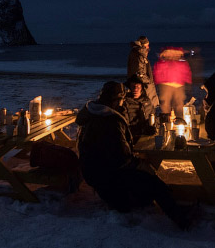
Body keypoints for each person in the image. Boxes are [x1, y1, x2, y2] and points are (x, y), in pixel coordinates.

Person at [75, 81, 194, 229]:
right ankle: (181, 219)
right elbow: (121, 157)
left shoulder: (90, 115)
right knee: (153, 181)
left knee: (147, 181)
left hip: (94, 176)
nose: (123, 102)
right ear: (116, 100)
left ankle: (164, 204)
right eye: (122, 99)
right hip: (108, 179)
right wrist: (140, 164)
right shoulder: (110, 121)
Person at [153, 47, 192, 123]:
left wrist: (188, 83)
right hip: (165, 85)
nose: (173, 56)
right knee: (165, 105)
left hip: (179, 85)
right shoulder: (161, 63)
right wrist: (157, 82)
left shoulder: (182, 63)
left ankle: (179, 121)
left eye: (175, 54)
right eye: (171, 54)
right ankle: (166, 122)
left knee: (179, 105)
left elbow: (187, 73)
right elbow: (157, 73)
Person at [127, 36, 158, 108]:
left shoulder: (138, 53)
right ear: (143, 45)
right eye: (147, 45)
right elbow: (139, 72)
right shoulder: (139, 55)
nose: (148, 47)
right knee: (148, 105)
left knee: (147, 105)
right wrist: (148, 81)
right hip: (143, 86)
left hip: (141, 84)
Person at [123, 75, 156, 142]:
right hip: (133, 137)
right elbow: (125, 125)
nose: (135, 89)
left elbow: (153, 117)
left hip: (148, 135)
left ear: (141, 88)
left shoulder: (147, 101)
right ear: (130, 88)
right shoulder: (125, 103)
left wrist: (154, 126)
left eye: (138, 86)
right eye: (133, 86)